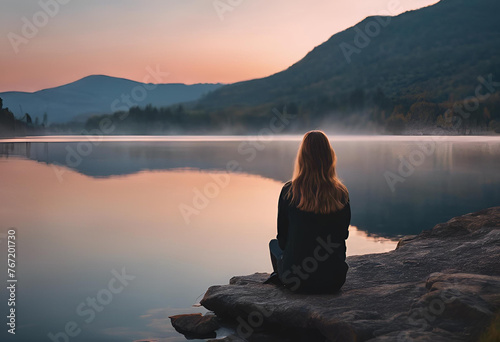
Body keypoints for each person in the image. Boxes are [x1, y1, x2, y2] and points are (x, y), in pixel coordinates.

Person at [265, 130, 351, 294]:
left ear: (302, 158)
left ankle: (279, 275)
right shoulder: (341, 193)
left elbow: (282, 240)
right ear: (329, 157)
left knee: (273, 245)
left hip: (295, 281)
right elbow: (342, 236)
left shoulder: (289, 191)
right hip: (334, 280)